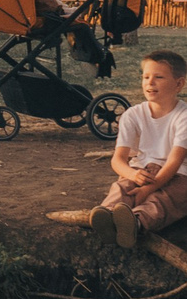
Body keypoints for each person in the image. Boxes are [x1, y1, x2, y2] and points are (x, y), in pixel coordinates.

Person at [80, 51, 187, 248]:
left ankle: (135, 223)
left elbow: (175, 161)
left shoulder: (183, 116)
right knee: (122, 188)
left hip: (178, 175)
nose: (150, 82)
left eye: (159, 77)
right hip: (141, 171)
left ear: (179, 84)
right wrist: (132, 175)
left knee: (160, 200)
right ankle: (107, 216)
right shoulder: (133, 115)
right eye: (146, 77)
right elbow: (118, 160)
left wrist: (148, 189)